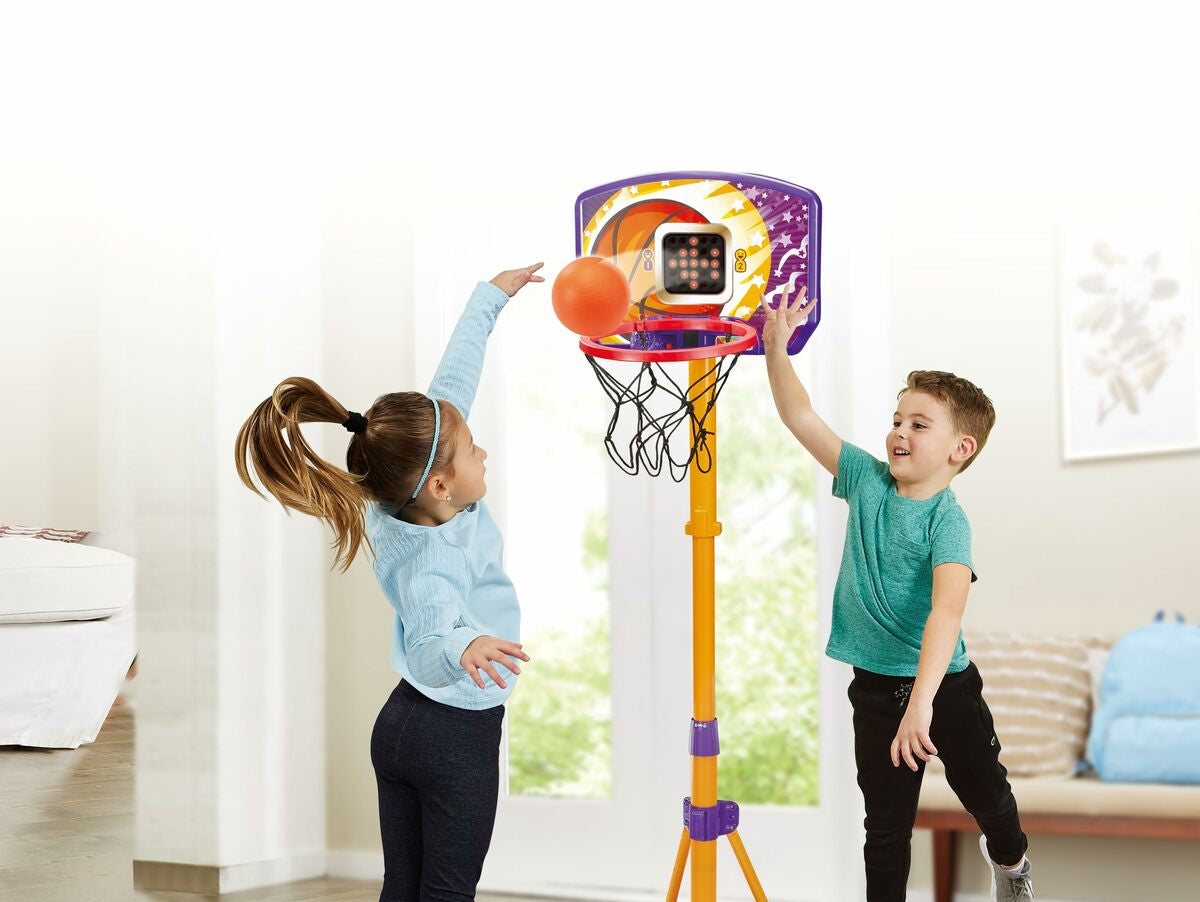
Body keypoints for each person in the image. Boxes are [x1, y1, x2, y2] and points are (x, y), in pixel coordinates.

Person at [235, 263, 544, 901]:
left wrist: (490, 299)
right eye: (473, 450)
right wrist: (462, 645)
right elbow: (430, 642)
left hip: (403, 725)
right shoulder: (434, 557)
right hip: (452, 733)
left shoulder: (398, 495)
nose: (482, 453)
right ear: (442, 482)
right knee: (447, 892)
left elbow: (451, 388)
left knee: (402, 888)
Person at [762, 285, 1033, 902]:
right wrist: (777, 348)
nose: (898, 433)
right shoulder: (866, 480)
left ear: (959, 449)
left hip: (946, 689)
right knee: (885, 828)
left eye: (918, 424)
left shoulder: (948, 521)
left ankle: (1013, 865)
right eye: (896, 421)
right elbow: (800, 416)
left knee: (988, 799)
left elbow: (946, 612)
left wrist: (923, 705)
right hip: (877, 688)